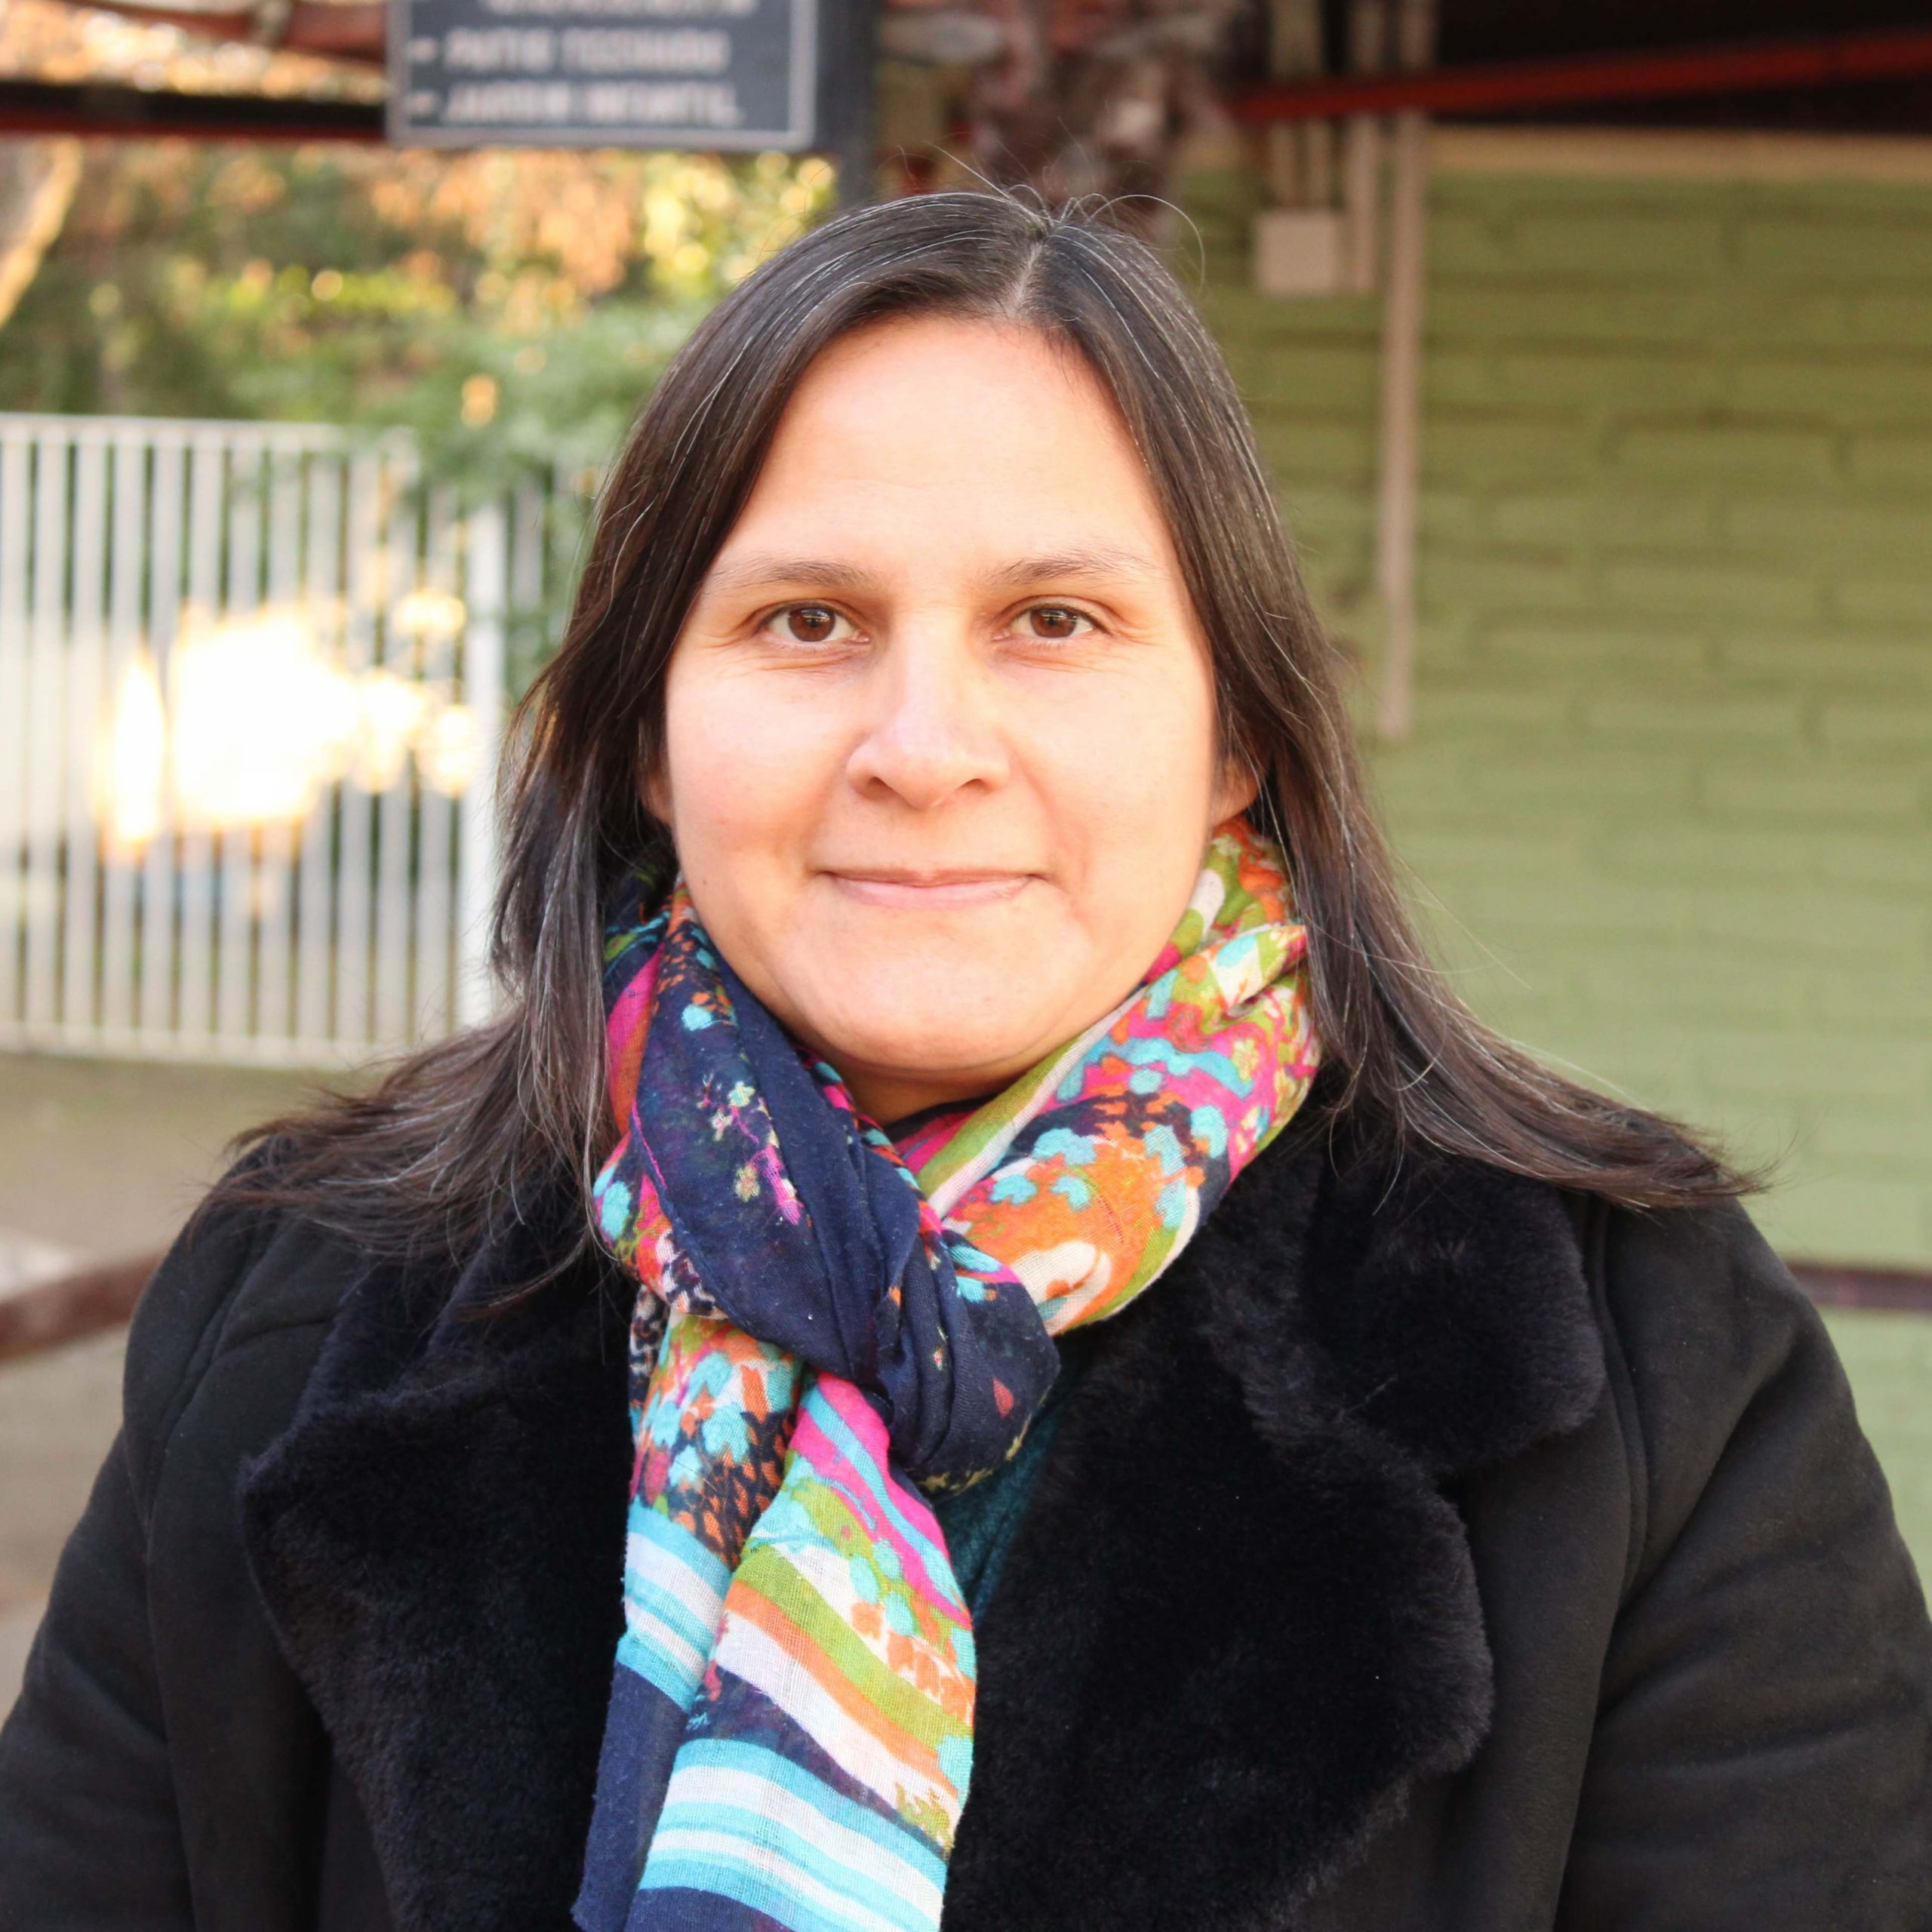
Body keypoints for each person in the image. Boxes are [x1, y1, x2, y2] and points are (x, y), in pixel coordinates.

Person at [2, 190, 1927, 1932]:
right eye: (806, 620)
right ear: (650, 736)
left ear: (1237, 733)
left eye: (1053, 621)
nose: (922, 746)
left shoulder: (1645, 1367)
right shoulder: (296, 1299)